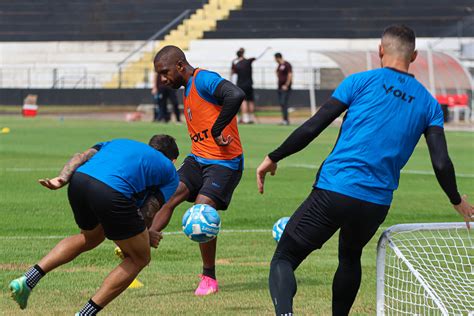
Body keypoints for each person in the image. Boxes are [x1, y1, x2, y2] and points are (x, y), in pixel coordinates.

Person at [257, 25, 473, 316]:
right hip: (376, 202)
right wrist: (456, 200)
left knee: (284, 258)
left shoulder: (359, 82)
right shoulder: (429, 104)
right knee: (350, 257)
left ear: (380, 50)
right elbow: (441, 162)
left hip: (336, 189)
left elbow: (313, 126)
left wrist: (274, 156)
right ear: (415, 55)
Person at [9, 135, 180, 315]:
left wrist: (61, 178)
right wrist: (144, 235)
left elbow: (81, 157)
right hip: (111, 192)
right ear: (173, 159)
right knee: (140, 258)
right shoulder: (170, 171)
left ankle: (27, 280)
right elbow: (150, 208)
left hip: (79, 181)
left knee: (90, 237)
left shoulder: (119, 142)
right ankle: (85, 314)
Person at [150, 45, 245, 296]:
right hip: (199, 158)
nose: (163, 79)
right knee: (169, 196)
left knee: (201, 211)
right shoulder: (187, 88)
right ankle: (144, 242)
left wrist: (217, 130)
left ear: (181, 66)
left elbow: (235, 94)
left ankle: (209, 277)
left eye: (165, 72)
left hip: (225, 162)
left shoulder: (203, 79)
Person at [231, 48, 257, 124]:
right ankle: (251, 118)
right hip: (249, 84)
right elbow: (255, 57)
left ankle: (245, 119)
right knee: (251, 101)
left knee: (244, 101)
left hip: (241, 85)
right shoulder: (248, 61)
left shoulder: (236, 64)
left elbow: (233, 73)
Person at [274, 52, 293, 125]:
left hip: (285, 88)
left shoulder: (287, 64)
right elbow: (276, 72)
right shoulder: (279, 65)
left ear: (278, 58)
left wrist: (286, 85)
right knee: (282, 104)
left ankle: (286, 120)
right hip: (279, 87)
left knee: (284, 103)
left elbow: (290, 75)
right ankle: (284, 119)